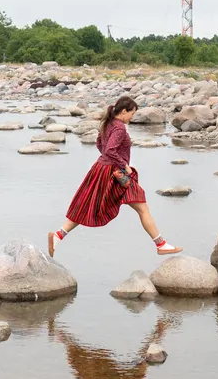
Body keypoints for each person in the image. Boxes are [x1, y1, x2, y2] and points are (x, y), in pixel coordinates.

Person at [50, 95, 182, 257]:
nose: (132, 117)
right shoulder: (119, 128)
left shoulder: (108, 123)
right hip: (115, 174)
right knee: (142, 207)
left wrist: (109, 161)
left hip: (101, 169)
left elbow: (100, 144)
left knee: (88, 204)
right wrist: (124, 165)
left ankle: (58, 236)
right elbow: (110, 149)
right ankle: (161, 245)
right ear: (124, 111)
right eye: (132, 113)